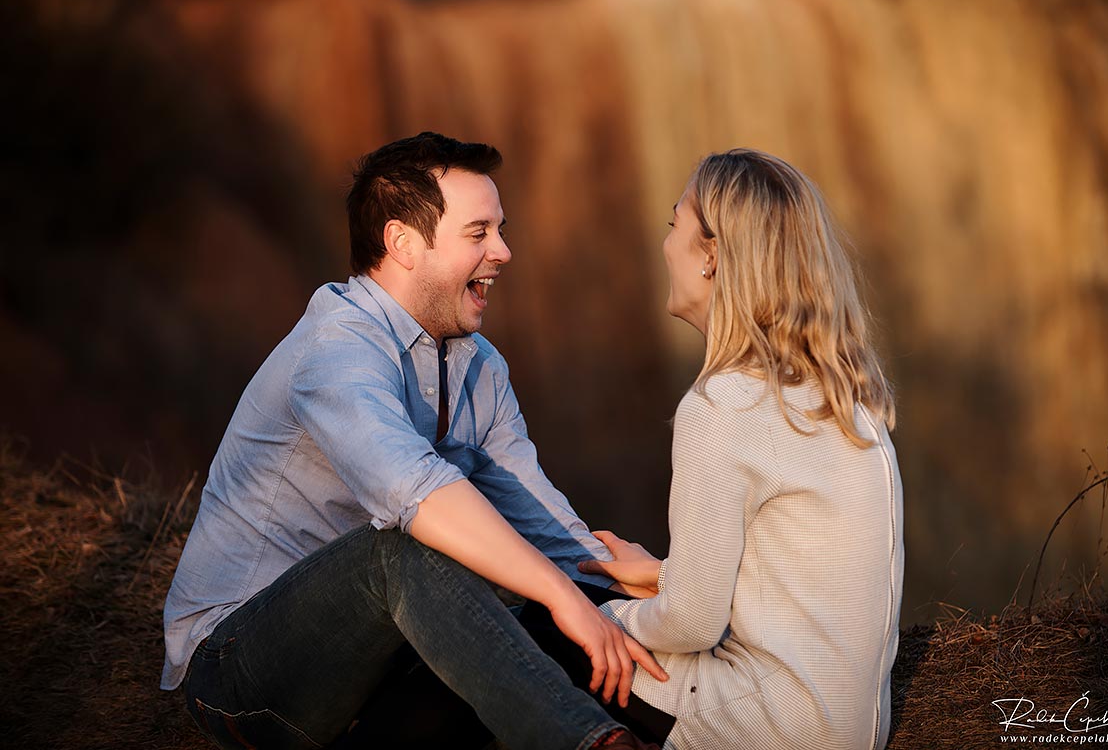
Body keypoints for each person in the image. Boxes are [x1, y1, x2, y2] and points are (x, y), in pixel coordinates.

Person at [161, 132, 668, 750]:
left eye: (501, 230)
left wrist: (635, 586)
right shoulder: (335, 350)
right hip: (242, 667)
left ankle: (710, 729)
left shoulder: (479, 365)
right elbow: (417, 495)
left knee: (536, 601)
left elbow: (540, 524)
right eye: (479, 233)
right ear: (402, 242)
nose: (505, 252)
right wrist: (562, 594)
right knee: (404, 553)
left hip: (379, 662)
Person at [574, 149, 904, 750]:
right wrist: (662, 576)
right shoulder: (847, 398)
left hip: (765, 725)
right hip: (847, 730)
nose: (667, 244)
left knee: (548, 627)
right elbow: (795, 577)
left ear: (713, 256)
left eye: (674, 224)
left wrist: (607, 616)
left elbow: (694, 623)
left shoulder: (723, 406)